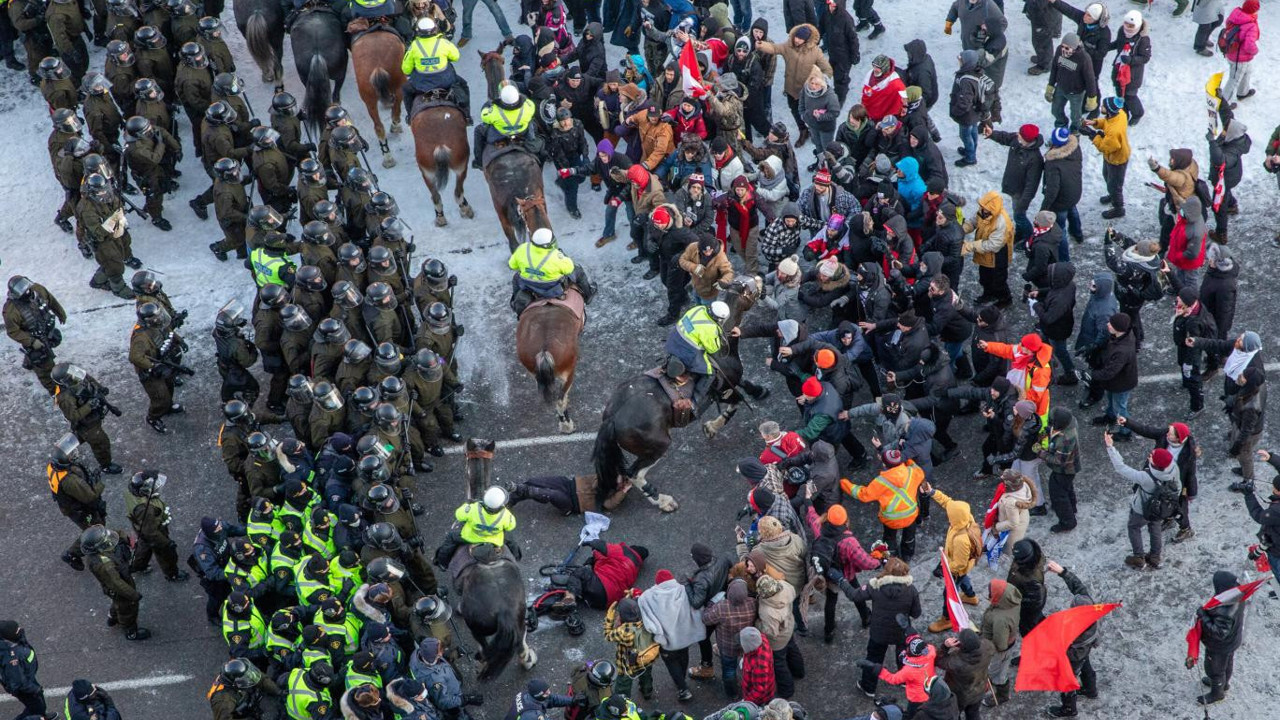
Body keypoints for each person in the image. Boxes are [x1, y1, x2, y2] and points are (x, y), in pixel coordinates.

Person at [1105, 432, 1177, 569]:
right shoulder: (1172, 470)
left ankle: (1139, 557)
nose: (1150, 455)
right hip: (1160, 508)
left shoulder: (1145, 477)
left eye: (1152, 456)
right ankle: (1155, 556)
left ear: (1155, 463)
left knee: (1134, 527)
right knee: (1155, 527)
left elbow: (1121, 467)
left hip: (1141, 509)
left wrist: (1110, 447)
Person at [840, 449, 925, 562]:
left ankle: (891, 558)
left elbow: (863, 495)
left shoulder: (880, 482)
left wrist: (844, 483)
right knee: (909, 536)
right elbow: (919, 470)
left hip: (891, 519)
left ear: (884, 464)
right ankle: (907, 555)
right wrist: (907, 459)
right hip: (911, 515)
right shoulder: (912, 472)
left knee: (889, 538)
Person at [921, 482, 980, 633]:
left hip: (955, 568)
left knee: (948, 593)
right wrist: (932, 492)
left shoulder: (961, 539)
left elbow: (959, 564)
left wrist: (944, 569)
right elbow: (948, 502)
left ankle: (946, 619)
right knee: (963, 578)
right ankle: (970, 596)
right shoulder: (966, 517)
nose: (948, 513)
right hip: (964, 565)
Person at [1189, 571, 1252, 705]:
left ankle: (1217, 693)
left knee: (1214, 669)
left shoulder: (1225, 609)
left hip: (1219, 645)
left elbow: (1219, 632)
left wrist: (1203, 616)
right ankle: (1223, 684)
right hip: (1232, 640)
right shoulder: (1237, 595)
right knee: (1227, 663)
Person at [80, 525, 150, 640]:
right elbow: (118, 584)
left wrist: (128, 540)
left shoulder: (98, 550)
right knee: (128, 609)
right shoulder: (105, 565)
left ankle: (113, 617)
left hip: (115, 588)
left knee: (119, 604)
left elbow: (116, 533)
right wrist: (133, 595)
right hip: (119, 589)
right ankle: (131, 631)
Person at [507, 227, 594, 315]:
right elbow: (569, 269)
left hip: (528, 286)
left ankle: (515, 301)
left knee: (516, 277)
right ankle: (588, 295)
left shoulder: (522, 248)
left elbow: (512, 265)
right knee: (579, 272)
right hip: (552, 288)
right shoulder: (556, 256)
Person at [401, 18, 471, 124]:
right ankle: (467, 116)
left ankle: (410, 117)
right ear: (434, 30)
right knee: (463, 85)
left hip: (421, 85)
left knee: (406, 89)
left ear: (418, 31)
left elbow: (406, 69)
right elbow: (456, 57)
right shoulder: (443, 43)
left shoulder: (414, 46)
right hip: (446, 81)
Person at [983, 123, 1043, 244]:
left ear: (1026, 140)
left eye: (1020, 135)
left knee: (1019, 216)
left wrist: (1023, 203)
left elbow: (1031, 185)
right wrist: (992, 134)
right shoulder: (1018, 140)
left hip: (1020, 193)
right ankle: (1021, 235)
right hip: (1013, 186)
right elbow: (1006, 137)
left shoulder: (1035, 159)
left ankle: (1030, 240)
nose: (1017, 135)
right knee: (1018, 215)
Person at [126, 470, 190, 582]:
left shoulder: (132, 491)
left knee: (144, 546)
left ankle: (138, 566)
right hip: (154, 529)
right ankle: (172, 574)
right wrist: (166, 543)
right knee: (166, 554)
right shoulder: (146, 509)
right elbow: (151, 533)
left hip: (141, 526)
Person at [434, 486, 520, 568]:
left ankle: (442, 562)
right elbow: (510, 527)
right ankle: (516, 557)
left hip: (470, 537)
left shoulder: (473, 508)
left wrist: (467, 505)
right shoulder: (506, 515)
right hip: (494, 540)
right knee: (511, 540)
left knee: (451, 537)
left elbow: (459, 515)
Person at [702, 578, 758, 699]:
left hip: (727, 646)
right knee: (749, 666)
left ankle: (733, 694)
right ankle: (749, 687)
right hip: (746, 644)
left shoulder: (722, 607)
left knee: (729, 670)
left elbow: (706, 619)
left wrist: (710, 605)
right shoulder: (753, 603)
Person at [1080, 96, 1129, 219]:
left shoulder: (1114, 132)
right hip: (1110, 157)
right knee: (1107, 176)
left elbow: (1104, 147)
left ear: (1109, 110)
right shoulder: (1119, 113)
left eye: (1103, 107)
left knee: (1114, 185)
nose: (1101, 107)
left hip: (1117, 159)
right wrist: (1095, 123)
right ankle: (1112, 195)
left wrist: (1092, 134)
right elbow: (1107, 122)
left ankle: (1118, 208)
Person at [961, 191, 1014, 306]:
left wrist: (970, 246)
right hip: (984, 251)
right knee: (985, 277)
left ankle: (1005, 300)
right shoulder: (984, 212)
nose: (982, 209)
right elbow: (973, 222)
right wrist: (961, 230)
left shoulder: (1002, 222)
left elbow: (993, 245)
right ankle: (988, 294)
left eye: (985, 208)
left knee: (998, 281)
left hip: (998, 254)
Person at [473, 83, 539, 169]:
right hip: (522, 133)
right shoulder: (528, 107)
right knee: (531, 123)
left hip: (499, 135)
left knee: (478, 130)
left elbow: (484, 116)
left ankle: (478, 161)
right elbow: (529, 103)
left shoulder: (496, 111)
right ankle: (533, 142)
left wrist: (487, 105)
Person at [978, 579, 1020, 707]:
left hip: (1000, 651)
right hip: (1005, 642)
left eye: (991, 592)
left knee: (998, 674)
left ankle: (1002, 695)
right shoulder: (1009, 601)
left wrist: (987, 648)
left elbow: (1000, 645)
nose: (989, 594)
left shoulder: (1001, 619)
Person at [0, 621, 55, 720]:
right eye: (17, 630)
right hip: (27, 689)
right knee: (37, 707)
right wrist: (34, 689)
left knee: (38, 705)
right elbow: (18, 683)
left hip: (27, 678)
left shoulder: (11, 640)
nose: (20, 630)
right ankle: (38, 716)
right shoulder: (12, 659)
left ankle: (41, 716)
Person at [934, 628, 993, 720]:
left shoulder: (957, 662)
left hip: (959, 697)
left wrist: (945, 646)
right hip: (979, 690)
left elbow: (938, 661)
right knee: (973, 714)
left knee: (954, 715)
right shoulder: (988, 647)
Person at [1241, 450, 1280, 588]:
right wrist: (1272, 458)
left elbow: (1259, 515)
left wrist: (1248, 495)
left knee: (1277, 567)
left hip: (1277, 549)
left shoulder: (1276, 511)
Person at [949, 50, 992, 167]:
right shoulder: (975, 72)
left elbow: (965, 101)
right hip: (975, 112)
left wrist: (955, 111)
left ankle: (970, 157)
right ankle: (971, 150)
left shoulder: (966, 80)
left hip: (966, 114)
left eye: (960, 59)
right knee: (972, 131)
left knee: (965, 135)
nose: (959, 60)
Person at [1045, 34, 1097, 132]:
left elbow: (1090, 80)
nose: (1064, 49)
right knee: (1055, 110)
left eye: (1067, 47)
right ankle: (1061, 125)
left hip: (1076, 93)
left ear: (1075, 47)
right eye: (1062, 46)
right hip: (1060, 88)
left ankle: (1075, 130)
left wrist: (1092, 98)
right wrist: (1050, 86)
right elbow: (1054, 69)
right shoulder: (1059, 51)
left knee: (1076, 115)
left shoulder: (1084, 58)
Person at [1109, 10, 1151, 126]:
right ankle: (1123, 113)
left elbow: (1145, 57)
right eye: (1126, 24)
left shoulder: (1143, 39)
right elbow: (1118, 43)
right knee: (1119, 92)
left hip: (1133, 74)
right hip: (1119, 68)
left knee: (1130, 95)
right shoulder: (1121, 31)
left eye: (1131, 25)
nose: (1128, 27)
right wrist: (1107, 46)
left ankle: (1137, 113)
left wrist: (1131, 60)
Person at [1219, 1, 1261, 104]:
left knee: (1247, 72)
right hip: (1240, 58)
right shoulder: (1251, 25)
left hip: (1231, 52)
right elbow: (1249, 45)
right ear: (1254, 10)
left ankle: (1243, 92)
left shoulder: (1236, 15)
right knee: (1234, 79)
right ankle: (1224, 103)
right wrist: (1255, 50)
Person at [504, 679, 579, 720]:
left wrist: (572, 700)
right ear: (538, 696)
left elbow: (552, 699)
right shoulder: (535, 715)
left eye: (548, 690)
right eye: (546, 693)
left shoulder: (526, 694)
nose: (549, 693)